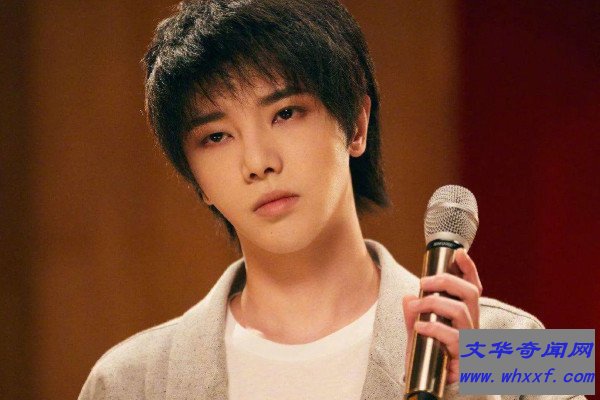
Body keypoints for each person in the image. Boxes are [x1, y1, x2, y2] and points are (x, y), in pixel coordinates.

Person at [78, 1, 585, 399]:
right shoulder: (127, 381)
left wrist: (474, 386)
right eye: (216, 137)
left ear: (357, 124)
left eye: (286, 113)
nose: (258, 161)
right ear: (197, 181)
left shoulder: (521, 343)